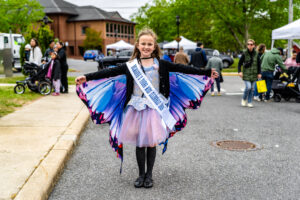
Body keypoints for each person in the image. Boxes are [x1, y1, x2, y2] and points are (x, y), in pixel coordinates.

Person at [75, 28, 218, 188]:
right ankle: (140, 175)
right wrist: (87, 77)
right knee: (139, 143)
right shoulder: (130, 66)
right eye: (143, 43)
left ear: (154, 46)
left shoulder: (162, 65)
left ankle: (149, 175)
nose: (146, 46)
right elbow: (109, 72)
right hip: (135, 110)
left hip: (154, 110)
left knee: (150, 143)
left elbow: (184, 69)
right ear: (137, 45)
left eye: (149, 44)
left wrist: (206, 72)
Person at [238, 39, 261, 108]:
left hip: (254, 73)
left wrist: (259, 73)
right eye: (248, 44)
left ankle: (250, 102)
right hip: (246, 73)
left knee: (252, 89)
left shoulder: (257, 54)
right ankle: (244, 99)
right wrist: (239, 71)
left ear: (254, 45)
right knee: (248, 87)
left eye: (251, 44)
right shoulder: (244, 53)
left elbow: (259, 64)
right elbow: (239, 63)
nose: (249, 46)